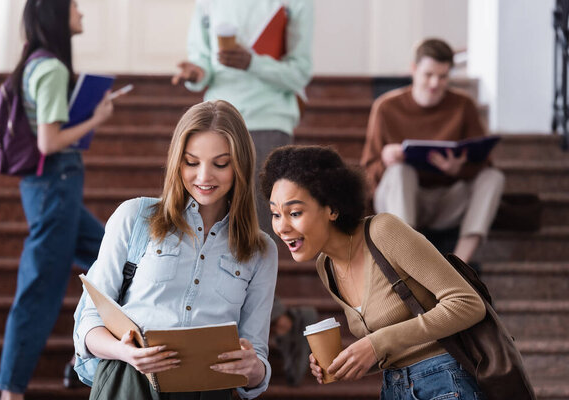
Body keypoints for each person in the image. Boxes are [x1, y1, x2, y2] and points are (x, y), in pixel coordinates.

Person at [74, 100, 278, 399]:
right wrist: (124, 351)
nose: (204, 177)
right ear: (176, 162)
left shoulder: (261, 251)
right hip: (128, 382)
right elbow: (90, 322)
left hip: (208, 391)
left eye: (221, 163)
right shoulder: (134, 217)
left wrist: (254, 368)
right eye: (191, 162)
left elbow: (255, 357)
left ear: (241, 165)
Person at [260, 145, 487, 399]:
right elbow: (393, 346)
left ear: (332, 209)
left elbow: (468, 303)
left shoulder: (383, 232)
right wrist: (351, 361)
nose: (282, 227)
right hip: (395, 387)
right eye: (275, 214)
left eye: (294, 213)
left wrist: (375, 344)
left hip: (444, 382)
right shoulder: (326, 267)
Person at [172, 0, 316, 385]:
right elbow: (201, 67)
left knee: (252, 238)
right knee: (211, 232)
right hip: (218, 119)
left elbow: (301, 72)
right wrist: (192, 73)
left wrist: (252, 63)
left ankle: (256, 337)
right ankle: (283, 323)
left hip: (268, 121)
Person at [0, 1, 114, 399]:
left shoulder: (39, 63)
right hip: (53, 189)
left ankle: (90, 357)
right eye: (75, 8)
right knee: (39, 290)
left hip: (53, 190)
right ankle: (11, 391)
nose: (81, 14)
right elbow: (48, 142)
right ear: (56, 15)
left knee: (113, 260)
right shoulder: (51, 68)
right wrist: (96, 119)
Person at [360, 38, 505, 264]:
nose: (435, 83)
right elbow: (367, 175)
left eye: (443, 76)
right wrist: (387, 159)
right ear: (414, 69)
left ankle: (459, 266)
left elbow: (484, 163)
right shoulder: (386, 107)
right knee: (400, 172)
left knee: (493, 178)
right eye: (428, 75)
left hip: (446, 200)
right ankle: (410, 264)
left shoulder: (463, 105)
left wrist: (458, 169)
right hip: (401, 201)